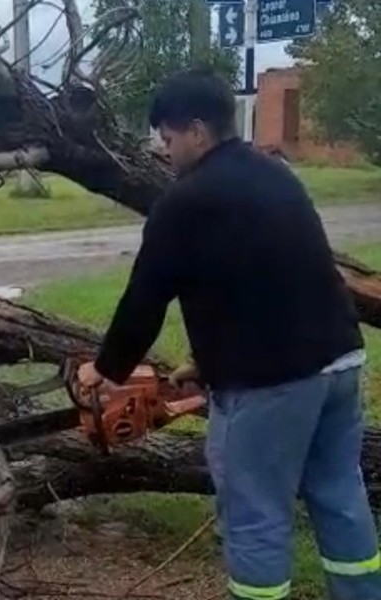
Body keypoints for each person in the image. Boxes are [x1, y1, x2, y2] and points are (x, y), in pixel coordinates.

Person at [77, 68, 381, 600]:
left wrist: (105, 372)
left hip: (273, 383)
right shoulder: (275, 174)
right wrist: (207, 358)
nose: (164, 151)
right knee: (340, 496)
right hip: (340, 360)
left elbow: (144, 300)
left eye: (167, 139)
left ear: (197, 130)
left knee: (255, 513)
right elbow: (266, 274)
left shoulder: (183, 201)